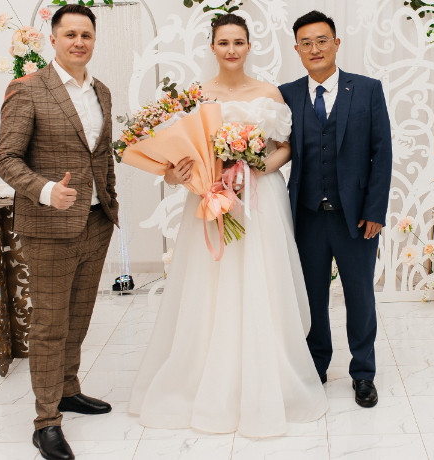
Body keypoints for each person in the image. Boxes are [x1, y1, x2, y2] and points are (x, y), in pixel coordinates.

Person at [128, 13, 328, 438]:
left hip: (260, 199)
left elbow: (286, 147)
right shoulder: (196, 96)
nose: (232, 50)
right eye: (224, 43)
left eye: (239, 42)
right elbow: (175, 160)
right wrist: (180, 174)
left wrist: (254, 168)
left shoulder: (268, 92)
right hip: (209, 196)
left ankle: (267, 376)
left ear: (249, 46)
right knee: (210, 283)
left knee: (261, 279)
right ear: (212, 47)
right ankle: (205, 375)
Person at [0, 5, 118, 460]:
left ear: (94, 40)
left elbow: (101, 154)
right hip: (49, 226)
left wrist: (110, 199)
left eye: (86, 34)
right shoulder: (28, 89)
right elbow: (5, 158)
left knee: (79, 315)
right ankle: (46, 421)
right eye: (70, 34)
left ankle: (67, 389)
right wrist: (46, 191)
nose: (79, 42)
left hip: (96, 221)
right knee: (49, 324)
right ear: (53, 39)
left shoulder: (102, 92)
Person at [279, 10, 393, 409]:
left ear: (336, 43)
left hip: (356, 216)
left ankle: (363, 372)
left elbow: (382, 153)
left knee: (360, 296)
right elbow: (273, 146)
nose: (315, 48)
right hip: (306, 215)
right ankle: (316, 365)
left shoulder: (367, 90)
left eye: (322, 40)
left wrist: (375, 210)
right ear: (297, 49)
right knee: (312, 297)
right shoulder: (286, 94)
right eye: (306, 43)